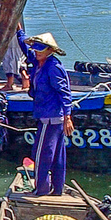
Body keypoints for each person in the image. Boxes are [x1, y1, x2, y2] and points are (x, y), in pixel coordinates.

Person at [18, 29, 75, 197]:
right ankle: (57, 190)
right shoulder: (37, 62)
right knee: (56, 155)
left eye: (40, 50)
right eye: (35, 49)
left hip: (51, 118)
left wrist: (67, 117)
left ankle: (41, 189)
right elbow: (24, 47)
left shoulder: (53, 67)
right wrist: (19, 31)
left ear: (50, 51)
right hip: (48, 115)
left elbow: (64, 93)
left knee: (41, 153)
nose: (36, 52)